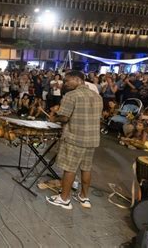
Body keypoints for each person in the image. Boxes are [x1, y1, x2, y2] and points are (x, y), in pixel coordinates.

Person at [47, 70, 103, 210]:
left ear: (77, 80)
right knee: (86, 168)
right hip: (92, 139)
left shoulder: (71, 96)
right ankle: (84, 197)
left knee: (70, 168)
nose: (65, 84)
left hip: (75, 137)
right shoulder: (97, 97)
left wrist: (54, 117)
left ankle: (64, 199)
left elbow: (65, 117)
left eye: (67, 81)